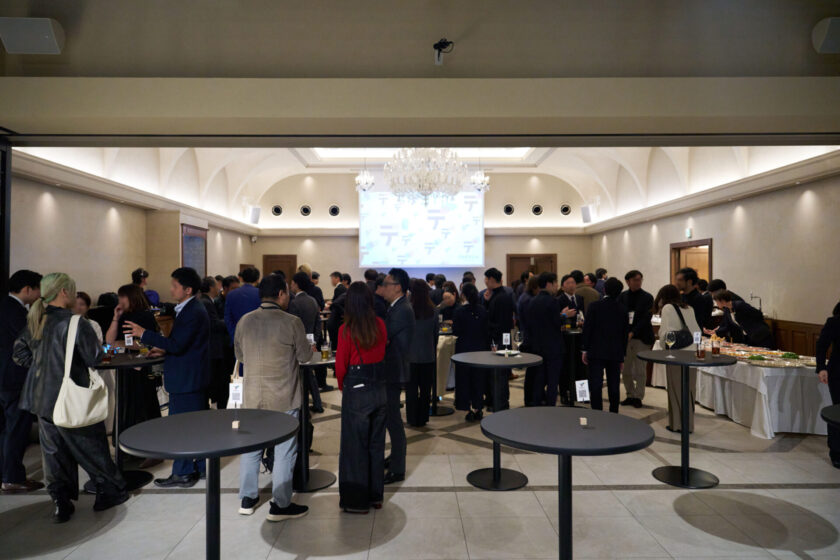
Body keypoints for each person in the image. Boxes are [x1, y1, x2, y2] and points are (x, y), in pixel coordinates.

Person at [14, 273, 127, 522]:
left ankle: (60, 501)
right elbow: (94, 358)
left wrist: (43, 369)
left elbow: (19, 352)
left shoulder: (37, 321)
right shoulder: (76, 323)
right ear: (64, 292)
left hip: (41, 399)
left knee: (54, 453)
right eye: (73, 290)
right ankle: (110, 491)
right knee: (91, 448)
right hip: (72, 396)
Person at [233, 274, 311, 520]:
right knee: (284, 451)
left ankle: (247, 499)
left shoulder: (245, 321)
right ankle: (280, 504)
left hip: (252, 397)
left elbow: (240, 355)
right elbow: (305, 356)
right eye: (287, 292)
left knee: (251, 449)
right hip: (283, 396)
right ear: (280, 294)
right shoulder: (292, 322)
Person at [124, 267, 210, 488]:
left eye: (174, 285)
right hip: (191, 377)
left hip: (187, 379)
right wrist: (164, 349)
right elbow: (183, 344)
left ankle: (182, 473)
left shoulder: (192, 311)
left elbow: (178, 345)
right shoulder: (191, 308)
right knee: (195, 426)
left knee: (180, 428)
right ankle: (200, 467)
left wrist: (144, 334)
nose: (171, 289)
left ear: (188, 289)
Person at [336, 282, 388, 512]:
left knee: (354, 445)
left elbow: (341, 366)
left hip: (357, 389)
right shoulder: (380, 325)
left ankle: (356, 501)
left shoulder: (346, 330)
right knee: (376, 444)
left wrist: (342, 386)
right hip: (379, 387)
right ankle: (375, 495)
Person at [0, 270, 43, 494]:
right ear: (28, 289)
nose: (40, 295)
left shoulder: (5, 306)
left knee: (6, 429)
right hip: (15, 378)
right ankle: (13, 479)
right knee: (17, 429)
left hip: (4, 377)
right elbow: (30, 343)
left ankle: (6, 475)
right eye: (38, 289)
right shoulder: (16, 311)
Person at [106, 284, 162, 438]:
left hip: (142, 365)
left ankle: (148, 439)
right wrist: (115, 318)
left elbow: (147, 343)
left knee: (142, 402)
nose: (120, 300)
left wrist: (122, 344)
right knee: (125, 401)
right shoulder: (122, 316)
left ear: (131, 297)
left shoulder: (145, 316)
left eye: (122, 296)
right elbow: (109, 341)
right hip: (125, 364)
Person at [381, 267, 414, 484]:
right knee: (391, 417)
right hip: (392, 368)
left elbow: (383, 334)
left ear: (398, 287)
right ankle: (395, 457)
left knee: (393, 420)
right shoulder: (396, 306)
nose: (383, 288)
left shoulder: (402, 309)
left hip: (394, 369)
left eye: (386, 284)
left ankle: (398, 468)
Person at [655, 284, 701, 432]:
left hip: (676, 354)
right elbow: (697, 330)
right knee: (689, 390)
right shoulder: (689, 308)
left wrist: (664, 345)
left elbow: (666, 334)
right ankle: (689, 424)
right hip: (692, 353)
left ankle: (677, 425)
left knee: (676, 390)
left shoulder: (668, 308)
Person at [582, 278, 628, 413]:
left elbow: (587, 328)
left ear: (604, 289)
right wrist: (623, 355)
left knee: (596, 383)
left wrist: (585, 349)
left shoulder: (594, 306)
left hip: (596, 350)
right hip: (615, 351)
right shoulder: (622, 309)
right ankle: (614, 411)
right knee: (614, 384)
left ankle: (597, 411)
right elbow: (624, 334)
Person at [524, 273, 566, 407]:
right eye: (555, 283)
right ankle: (550, 407)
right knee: (553, 381)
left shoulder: (532, 301)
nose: (557, 286)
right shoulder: (552, 301)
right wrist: (564, 316)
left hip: (537, 346)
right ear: (548, 284)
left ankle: (537, 405)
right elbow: (556, 323)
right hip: (553, 347)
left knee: (539, 379)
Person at [289, 271, 326, 413]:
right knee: (310, 373)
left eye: (292, 283)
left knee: (301, 376)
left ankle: (305, 406)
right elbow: (318, 323)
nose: (291, 285)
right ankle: (317, 403)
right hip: (311, 342)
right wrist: (314, 340)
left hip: (299, 344)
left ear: (296, 284)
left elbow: (294, 327)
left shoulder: (294, 303)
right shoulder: (313, 300)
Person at [617, 270, 655, 408]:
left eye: (640, 279)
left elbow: (646, 318)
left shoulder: (647, 297)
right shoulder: (622, 296)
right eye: (635, 280)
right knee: (626, 369)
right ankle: (630, 394)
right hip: (625, 337)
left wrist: (632, 332)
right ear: (628, 282)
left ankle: (638, 396)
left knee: (640, 369)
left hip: (642, 337)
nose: (638, 282)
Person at [453, 283, 490, 421]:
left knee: (464, 379)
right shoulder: (482, 310)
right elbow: (486, 330)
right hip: (480, 348)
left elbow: (456, 331)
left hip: (464, 349)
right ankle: (478, 407)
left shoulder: (459, 311)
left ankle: (467, 407)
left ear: (463, 295)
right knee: (478, 378)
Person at [405, 278, 437, 428]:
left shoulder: (408, 309)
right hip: (428, 355)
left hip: (410, 356)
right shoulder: (433, 310)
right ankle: (423, 417)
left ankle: (412, 417)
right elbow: (435, 334)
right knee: (425, 390)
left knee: (411, 389)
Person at [482, 267, 514, 411]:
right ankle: (496, 402)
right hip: (500, 339)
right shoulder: (498, 295)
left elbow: (501, 323)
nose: (485, 281)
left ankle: (500, 404)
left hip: (499, 341)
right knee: (497, 374)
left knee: (499, 375)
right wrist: (487, 302)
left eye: (486, 279)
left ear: (491, 280)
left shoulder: (501, 297)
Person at [200, 276, 230, 409]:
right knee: (218, 381)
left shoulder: (205, 301)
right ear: (211, 287)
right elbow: (214, 324)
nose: (219, 288)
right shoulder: (206, 302)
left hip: (210, 348)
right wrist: (229, 321)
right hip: (213, 349)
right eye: (217, 286)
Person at [816, 302, 840, 469]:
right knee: (837, 412)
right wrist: (821, 368)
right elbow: (822, 345)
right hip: (838, 372)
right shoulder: (834, 322)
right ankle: (836, 452)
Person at [516, 276, 540, 406]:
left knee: (532, 372)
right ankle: (530, 400)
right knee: (532, 373)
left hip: (528, 337)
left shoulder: (525, 297)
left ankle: (531, 398)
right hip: (530, 339)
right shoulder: (529, 300)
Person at [225, 266, 261, 342]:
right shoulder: (261, 294)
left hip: (237, 336)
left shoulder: (231, 294)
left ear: (242, 278)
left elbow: (228, 318)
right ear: (257, 279)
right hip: (256, 338)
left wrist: (233, 335)